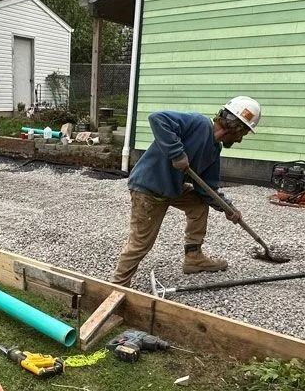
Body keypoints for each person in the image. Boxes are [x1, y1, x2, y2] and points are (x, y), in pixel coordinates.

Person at [111, 96, 262, 287]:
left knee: (198, 205)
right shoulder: (198, 124)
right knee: (141, 244)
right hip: (149, 189)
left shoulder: (214, 150)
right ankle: (116, 286)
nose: (241, 140)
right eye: (244, 133)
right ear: (236, 127)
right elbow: (157, 118)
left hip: (171, 188)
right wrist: (176, 153)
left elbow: (207, 189)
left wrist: (228, 208)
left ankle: (194, 257)